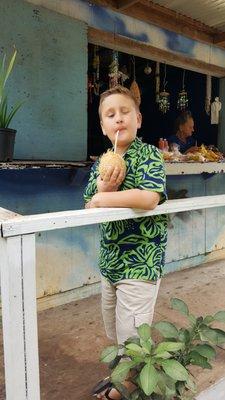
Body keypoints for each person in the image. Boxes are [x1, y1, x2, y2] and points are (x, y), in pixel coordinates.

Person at [84, 86, 167, 400]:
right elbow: (89, 202)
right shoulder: (101, 163)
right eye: (110, 114)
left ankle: (128, 386)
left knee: (132, 331)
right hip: (111, 262)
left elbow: (149, 197)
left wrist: (106, 197)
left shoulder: (148, 154)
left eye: (125, 112)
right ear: (103, 127)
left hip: (140, 261)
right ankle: (120, 374)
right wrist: (103, 187)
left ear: (139, 119)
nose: (118, 118)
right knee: (114, 329)